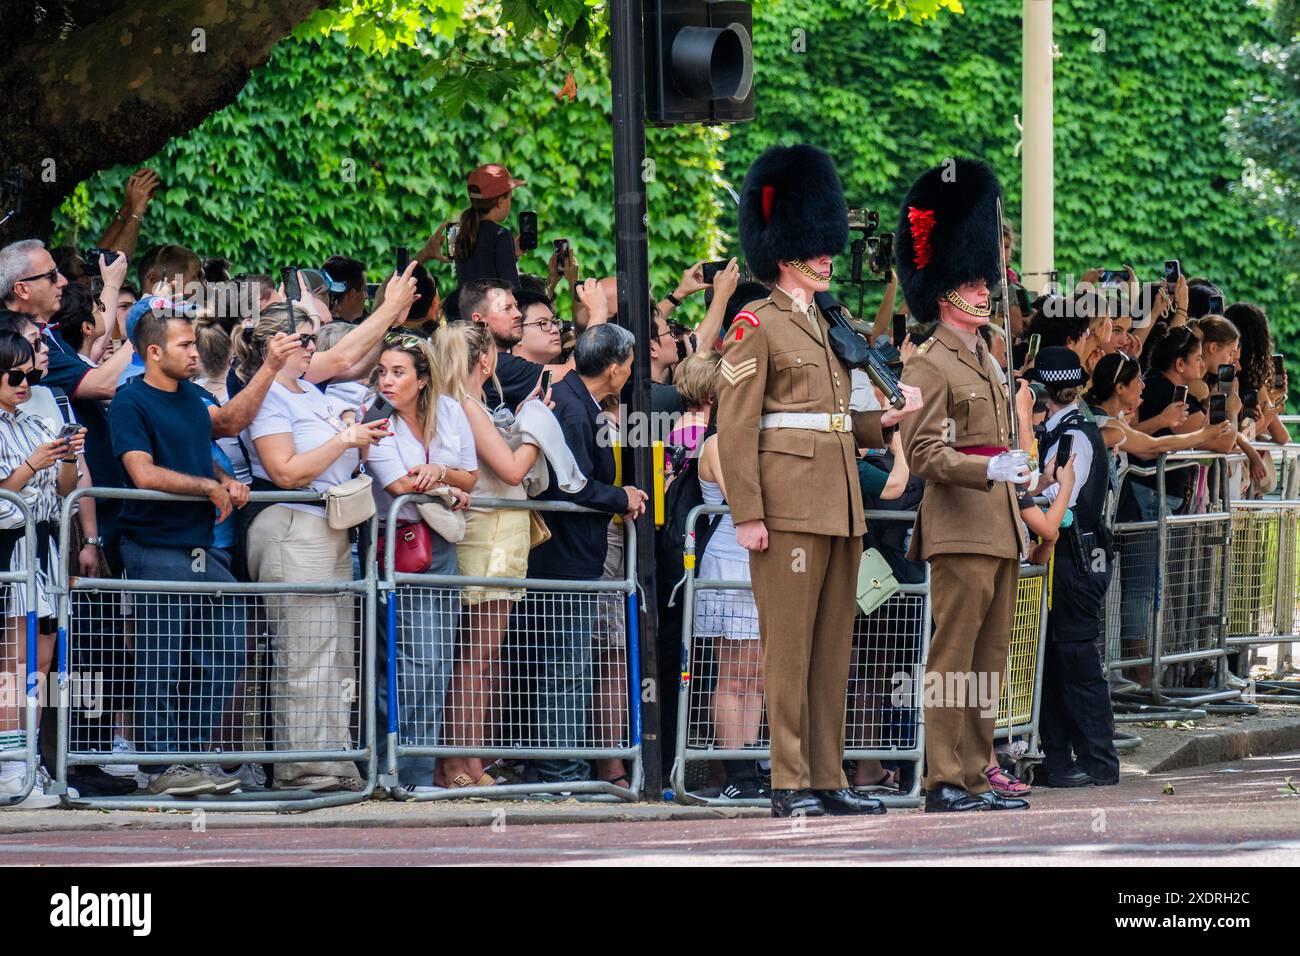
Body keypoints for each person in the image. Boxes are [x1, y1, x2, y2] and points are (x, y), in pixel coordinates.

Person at [717, 144, 922, 818]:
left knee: (835, 648)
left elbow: (834, 417)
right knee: (789, 649)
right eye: (815, 247)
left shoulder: (828, 326)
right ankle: (790, 780)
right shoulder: (759, 324)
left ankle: (829, 776)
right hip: (789, 506)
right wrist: (747, 510)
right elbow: (738, 424)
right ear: (785, 253)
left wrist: (884, 419)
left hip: (838, 503)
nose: (828, 257)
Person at [896, 157, 1032, 812]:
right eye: (973, 284)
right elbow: (923, 453)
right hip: (958, 525)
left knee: (987, 663)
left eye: (985, 283)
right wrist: (986, 468)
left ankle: (975, 772)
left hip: (997, 524)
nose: (986, 292)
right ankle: (942, 777)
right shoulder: (930, 363)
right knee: (951, 661)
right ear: (946, 291)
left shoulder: (986, 356)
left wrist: (1011, 474)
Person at [238, 305, 390, 792]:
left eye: (313, 338)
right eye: (304, 339)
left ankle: (334, 760)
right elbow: (285, 470)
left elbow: (341, 456)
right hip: (292, 522)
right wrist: (345, 436)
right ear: (274, 345)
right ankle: (301, 766)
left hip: (330, 525)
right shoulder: (267, 396)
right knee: (302, 654)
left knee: (336, 655)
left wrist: (358, 435)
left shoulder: (312, 391)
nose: (312, 347)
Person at [109, 304, 249, 797]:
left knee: (227, 646)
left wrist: (226, 480)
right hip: (153, 545)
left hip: (199, 545)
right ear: (153, 352)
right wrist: (208, 489)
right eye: (185, 345)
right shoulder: (129, 403)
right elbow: (143, 473)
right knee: (160, 660)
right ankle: (160, 766)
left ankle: (191, 758)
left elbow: (202, 454)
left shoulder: (191, 397)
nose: (195, 351)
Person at [525, 324, 648, 788]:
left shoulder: (575, 400)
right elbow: (570, 482)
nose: (632, 372)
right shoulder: (576, 410)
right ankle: (562, 771)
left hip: (572, 553)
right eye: (630, 365)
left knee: (567, 665)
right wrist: (623, 497)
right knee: (566, 667)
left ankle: (559, 768)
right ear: (614, 369)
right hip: (567, 556)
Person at [438, 321, 545, 789]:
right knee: (476, 659)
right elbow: (510, 469)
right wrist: (539, 430)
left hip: (495, 536)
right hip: (490, 538)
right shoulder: (468, 405)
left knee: (480, 658)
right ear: (485, 361)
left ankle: (467, 761)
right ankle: (463, 765)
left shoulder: (468, 404)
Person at [1025, 348, 1121, 788]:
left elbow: (1059, 505)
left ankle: (1099, 761)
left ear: (1044, 392)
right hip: (1062, 558)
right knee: (1054, 661)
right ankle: (1060, 760)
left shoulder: (1074, 437)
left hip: (1076, 560)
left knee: (1078, 660)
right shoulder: (1058, 431)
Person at [0, 332, 88, 806]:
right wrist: (32, 465)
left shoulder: (34, 419)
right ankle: (10, 770)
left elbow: (66, 491)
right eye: (15, 375)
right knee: (13, 664)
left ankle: (29, 764)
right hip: (10, 551)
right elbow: (3, 497)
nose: (26, 382)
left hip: (44, 548)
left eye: (30, 374)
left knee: (41, 663)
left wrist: (68, 454)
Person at [452, 164, 526, 287]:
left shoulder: (461, 233)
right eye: (510, 198)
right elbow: (512, 290)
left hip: (467, 305)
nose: (510, 203)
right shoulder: (501, 235)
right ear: (500, 201)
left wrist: (511, 255)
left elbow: (479, 270)